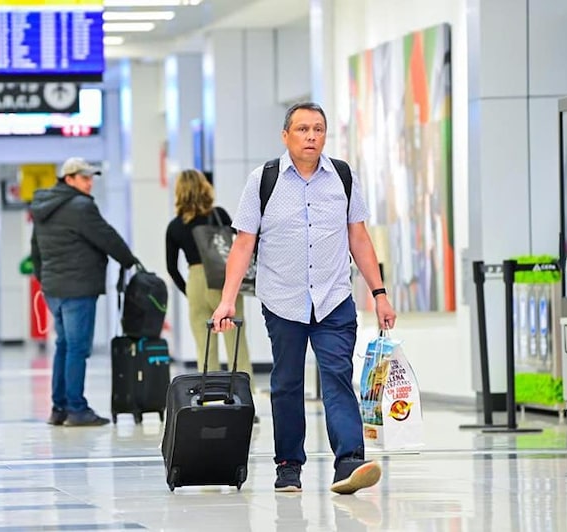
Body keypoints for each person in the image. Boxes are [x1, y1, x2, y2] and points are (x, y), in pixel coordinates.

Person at [211, 102, 397, 495]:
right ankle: (288, 465)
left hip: (334, 298)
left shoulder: (342, 176)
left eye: (318, 129)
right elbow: (243, 244)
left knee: (337, 375)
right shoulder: (264, 179)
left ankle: (349, 461)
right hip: (283, 299)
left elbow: (359, 237)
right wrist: (227, 300)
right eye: (302, 129)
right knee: (286, 383)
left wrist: (379, 293)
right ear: (286, 135)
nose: (311, 136)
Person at [31, 157, 137, 427]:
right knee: (77, 349)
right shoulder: (80, 206)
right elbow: (106, 236)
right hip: (77, 288)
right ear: (69, 179)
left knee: (64, 346)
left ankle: (59, 408)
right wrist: (129, 261)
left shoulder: (43, 207)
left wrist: (44, 280)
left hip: (53, 288)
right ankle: (76, 409)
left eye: (91, 178)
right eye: (84, 178)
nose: (90, 183)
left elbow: (35, 250)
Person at [165, 169, 255, 392]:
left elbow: (171, 268)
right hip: (222, 279)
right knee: (235, 342)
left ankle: (210, 396)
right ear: (204, 187)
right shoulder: (218, 215)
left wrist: (189, 292)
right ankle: (243, 393)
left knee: (204, 346)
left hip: (195, 282)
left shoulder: (175, 226)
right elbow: (238, 245)